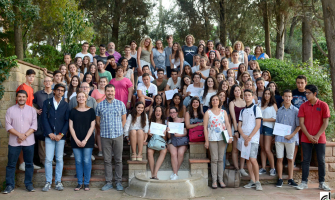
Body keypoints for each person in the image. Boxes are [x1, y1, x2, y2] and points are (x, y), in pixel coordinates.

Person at [296, 85, 331, 191]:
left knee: (321, 160)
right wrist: (308, 136)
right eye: (305, 93)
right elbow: (301, 123)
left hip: (320, 138)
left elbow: (326, 122)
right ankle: (304, 182)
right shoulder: (303, 106)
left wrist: (316, 136)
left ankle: (322, 183)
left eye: (308, 93)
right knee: (305, 160)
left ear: (314, 93)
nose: (306, 94)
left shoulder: (323, 105)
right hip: (306, 138)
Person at [3, 90, 37, 194]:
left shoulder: (32, 110)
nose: (21, 98)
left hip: (29, 142)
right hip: (14, 142)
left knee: (29, 164)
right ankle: (9, 185)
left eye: (23, 96)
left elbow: (34, 126)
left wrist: (24, 136)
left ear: (26, 98)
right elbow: (8, 126)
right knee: (11, 164)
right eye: (19, 96)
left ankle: (29, 184)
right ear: (16, 98)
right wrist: (19, 135)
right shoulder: (10, 110)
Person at [96, 84, 127, 191]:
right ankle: (108, 182)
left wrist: (119, 130)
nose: (110, 93)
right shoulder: (99, 105)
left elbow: (124, 120)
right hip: (105, 136)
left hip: (118, 135)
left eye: (112, 91)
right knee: (107, 160)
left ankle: (118, 182)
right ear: (105, 92)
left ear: (115, 92)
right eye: (108, 91)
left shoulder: (120, 104)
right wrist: (106, 129)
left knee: (118, 160)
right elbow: (98, 121)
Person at [42, 83, 70, 192]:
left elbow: (67, 121)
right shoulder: (47, 103)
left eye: (62, 91)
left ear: (64, 92)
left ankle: (58, 181)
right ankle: (48, 182)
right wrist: (49, 133)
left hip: (60, 137)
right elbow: (44, 119)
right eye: (58, 90)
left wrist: (61, 134)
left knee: (59, 158)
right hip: (49, 136)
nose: (60, 92)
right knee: (48, 159)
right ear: (54, 91)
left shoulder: (66, 105)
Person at [204, 95, 233, 188]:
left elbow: (228, 125)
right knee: (214, 159)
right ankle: (214, 181)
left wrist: (230, 136)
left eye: (217, 99)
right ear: (211, 101)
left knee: (221, 159)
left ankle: (220, 180)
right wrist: (206, 140)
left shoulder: (223, 112)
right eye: (213, 100)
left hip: (222, 138)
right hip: (212, 138)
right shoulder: (208, 113)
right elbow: (205, 127)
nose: (215, 101)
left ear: (219, 101)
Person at [69, 92, 96, 191]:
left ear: (86, 98)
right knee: (78, 161)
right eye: (79, 97)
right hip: (75, 139)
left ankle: (86, 183)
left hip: (87, 140)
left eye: (83, 97)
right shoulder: (73, 111)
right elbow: (70, 127)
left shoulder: (91, 111)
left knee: (86, 160)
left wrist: (85, 140)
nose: (81, 98)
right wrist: (76, 139)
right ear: (76, 99)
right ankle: (79, 183)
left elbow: (92, 126)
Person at [16, 69, 41, 171]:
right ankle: (22, 163)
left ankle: (29, 163)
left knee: (29, 140)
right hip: (22, 115)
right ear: (26, 76)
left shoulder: (30, 88)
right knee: (21, 139)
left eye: (33, 76)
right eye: (29, 76)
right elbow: (20, 102)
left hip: (30, 115)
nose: (31, 78)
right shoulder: (22, 87)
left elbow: (29, 103)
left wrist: (36, 110)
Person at [238, 89, 263, 191]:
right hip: (244, 139)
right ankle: (252, 180)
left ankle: (258, 181)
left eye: (249, 95)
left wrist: (249, 137)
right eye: (245, 95)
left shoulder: (256, 108)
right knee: (247, 160)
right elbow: (239, 126)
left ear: (253, 97)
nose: (247, 96)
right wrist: (243, 136)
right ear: (243, 97)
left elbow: (258, 125)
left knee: (253, 159)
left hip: (253, 139)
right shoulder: (242, 111)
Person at [275, 89, 300, 188]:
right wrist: (275, 136)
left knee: (290, 159)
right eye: (286, 96)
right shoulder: (279, 111)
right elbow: (277, 124)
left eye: (289, 96)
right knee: (279, 158)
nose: (287, 98)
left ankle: (290, 179)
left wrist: (291, 135)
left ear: (292, 98)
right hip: (279, 139)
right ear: (283, 97)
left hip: (291, 138)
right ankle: (280, 179)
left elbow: (299, 126)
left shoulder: (296, 111)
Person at [33, 77, 54, 167]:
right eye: (46, 81)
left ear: (52, 83)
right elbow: (29, 103)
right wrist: (36, 110)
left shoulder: (55, 93)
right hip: (41, 119)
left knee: (51, 139)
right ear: (44, 83)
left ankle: (50, 159)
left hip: (53, 119)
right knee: (42, 140)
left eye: (49, 81)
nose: (48, 83)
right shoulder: (38, 94)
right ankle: (43, 160)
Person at [228, 85, 248, 176]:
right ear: (233, 92)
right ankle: (237, 168)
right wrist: (236, 131)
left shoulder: (245, 101)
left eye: (238, 90)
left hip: (245, 127)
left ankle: (242, 168)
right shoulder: (232, 103)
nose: (237, 92)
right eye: (235, 91)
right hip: (236, 127)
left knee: (243, 149)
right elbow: (233, 117)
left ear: (241, 91)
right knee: (235, 149)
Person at [259, 88, 277, 176]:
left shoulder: (273, 105)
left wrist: (263, 119)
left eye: (268, 94)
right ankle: (263, 168)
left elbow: (275, 118)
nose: (267, 95)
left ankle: (273, 168)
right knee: (262, 148)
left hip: (268, 127)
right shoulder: (260, 104)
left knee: (267, 148)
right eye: (265, 93)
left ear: (271, 95)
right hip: (259, 127)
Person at [147, 106, 167, 180]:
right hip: (153, 140)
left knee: (164, 151)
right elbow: (149, 137)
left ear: (161, 113)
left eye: (159, 111)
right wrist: (149, 134)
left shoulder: (164, 122)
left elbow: (165, 138)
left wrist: (165, 134)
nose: (158, 112)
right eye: (156, 111)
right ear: (154, 112)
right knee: (149, 151)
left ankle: (155, 173)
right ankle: (153, 174)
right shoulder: (151, 121)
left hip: (161, 141)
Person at [167, 107, 187, 180]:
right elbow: (169, 137)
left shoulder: (183, 120)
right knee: (173, 154)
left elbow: (185, 133)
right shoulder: (169, 122)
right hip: (173, 140)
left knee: (181, 153)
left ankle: (175, 173)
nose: (172, 114)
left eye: (174, 112)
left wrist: (179, 135)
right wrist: (168, 131)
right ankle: (175, 174)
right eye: (171, 112)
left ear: (177, 113)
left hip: (182, 140)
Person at [91, 77, 108, 156]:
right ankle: (100, 150)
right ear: (98, 83)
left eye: (104, 82)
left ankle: (107, 150)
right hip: (97, 114)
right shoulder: (95, 91)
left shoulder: (109, 91)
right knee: (98, 132)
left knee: (107, 132)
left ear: (106, 82)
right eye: (101, 82)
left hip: (107, 115)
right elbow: (91, 102)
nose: (102, 83)